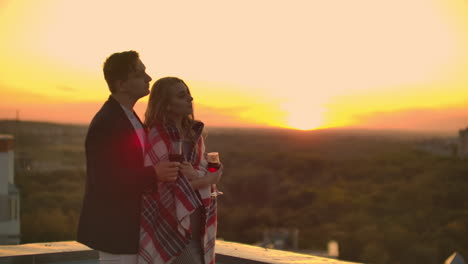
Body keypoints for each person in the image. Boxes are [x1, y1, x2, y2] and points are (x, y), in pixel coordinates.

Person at [77, 51, 181, 264]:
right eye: (140, 73)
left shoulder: (128, 116)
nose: (148, 78)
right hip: (116, 232)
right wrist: (155, 173)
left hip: (129, 229)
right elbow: (106, 180)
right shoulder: (107, 123)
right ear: (122, 84)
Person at [138, 77, 223, 264]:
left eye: (189, 94)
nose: (190, 99)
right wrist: (209, 180)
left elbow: (199, 171)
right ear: (167, 105)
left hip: (198, 218)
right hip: (171, 224)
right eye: (181, 96)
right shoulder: (157, 135)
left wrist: (206, 174)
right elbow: (169, 187)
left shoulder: (194, 135)